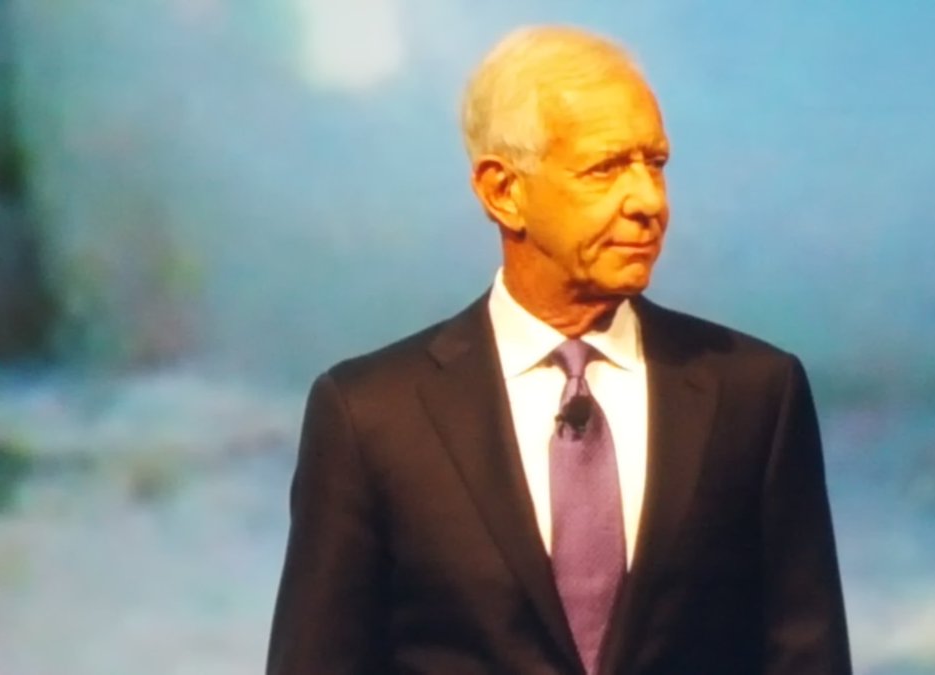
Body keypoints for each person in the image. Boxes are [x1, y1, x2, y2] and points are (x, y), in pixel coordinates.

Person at [266, 25, 851, 675]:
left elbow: (807, 653)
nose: (648, 201)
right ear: (503, 191)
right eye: (606, 168)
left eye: (655, 164)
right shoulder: (372, 416)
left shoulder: (754, 394)